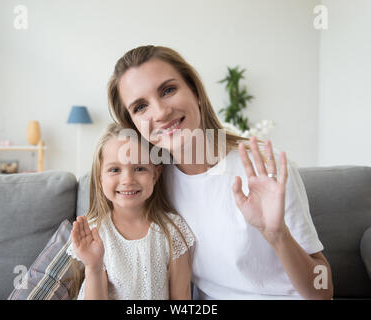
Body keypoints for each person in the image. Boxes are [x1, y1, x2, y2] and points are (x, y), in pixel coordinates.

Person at [106, 45, 334, 300]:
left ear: (195, 92)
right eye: (140, 107)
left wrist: (279, 236)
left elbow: (323, 291)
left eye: (168, 90)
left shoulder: (263, 167)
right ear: (134, 125)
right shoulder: (152, 181)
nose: (160, 112)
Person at [66, 123, 195, 300]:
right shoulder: (95, 232)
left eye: (139, 168)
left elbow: (181, 299)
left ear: (155, 175)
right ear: (100, 178)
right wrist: (93, 267)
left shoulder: (173, 230)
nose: (127, 180)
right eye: (115, 170)